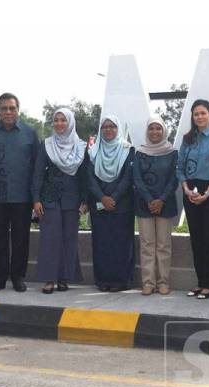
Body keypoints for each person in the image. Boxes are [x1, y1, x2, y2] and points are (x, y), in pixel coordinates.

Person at [0, 93, 40, 293]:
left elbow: (37, 168)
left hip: (22, 197)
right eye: (4, 108)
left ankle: (18, 277)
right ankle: (0, 277)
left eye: (12, 108)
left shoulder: (30, 133)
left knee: (21, 239)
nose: (8, 112)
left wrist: (36, 197)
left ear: (18, 110)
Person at [176, 99, 209, 300]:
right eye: (196, 114)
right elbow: (179, 167)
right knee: (196, 240)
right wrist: (187, 190)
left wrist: (207, 193)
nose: (199, 117)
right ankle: (200, 282)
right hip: (190, 191)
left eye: (203, 113)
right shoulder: (187, 138)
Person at [32, 108, 87, 294]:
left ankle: (64, 278)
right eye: (56, 120)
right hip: (49, 198)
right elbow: (38, 173)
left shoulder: (81, 146)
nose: (59, 124)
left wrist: (85, 201)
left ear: (70, 122)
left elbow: (84, 176)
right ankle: (49, 279)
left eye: (64, 120)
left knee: (69, 239)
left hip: (72, 200)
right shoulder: (46, 144)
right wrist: (36, 199)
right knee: (50, 239)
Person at [86, 115, 135, 292]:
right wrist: (102, 198)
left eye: (112, 126)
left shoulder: (128, 150)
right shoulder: (93, 151)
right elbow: (90, 178)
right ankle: (102, 281)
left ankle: (122, 281)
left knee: (121, 245)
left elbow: (128, 178)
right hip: (99, 207)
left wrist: (113, 197)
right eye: (104, 127)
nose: (108, 130)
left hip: (121, 206)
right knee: (101, 245)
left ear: (118, 129)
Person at [133, 115, 178, 295]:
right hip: (145, 204)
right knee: (147, 244)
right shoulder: (140, 152)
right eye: (151, 128)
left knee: (163, 245)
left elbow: (174, 179)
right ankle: (148, 282)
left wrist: (161, 199)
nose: (155, 132)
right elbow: (136, 178)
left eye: (158, 128)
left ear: (164, 131)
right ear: (147, 131)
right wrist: (150, 199)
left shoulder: (172, 152)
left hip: (165, 204)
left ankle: (163, 282)